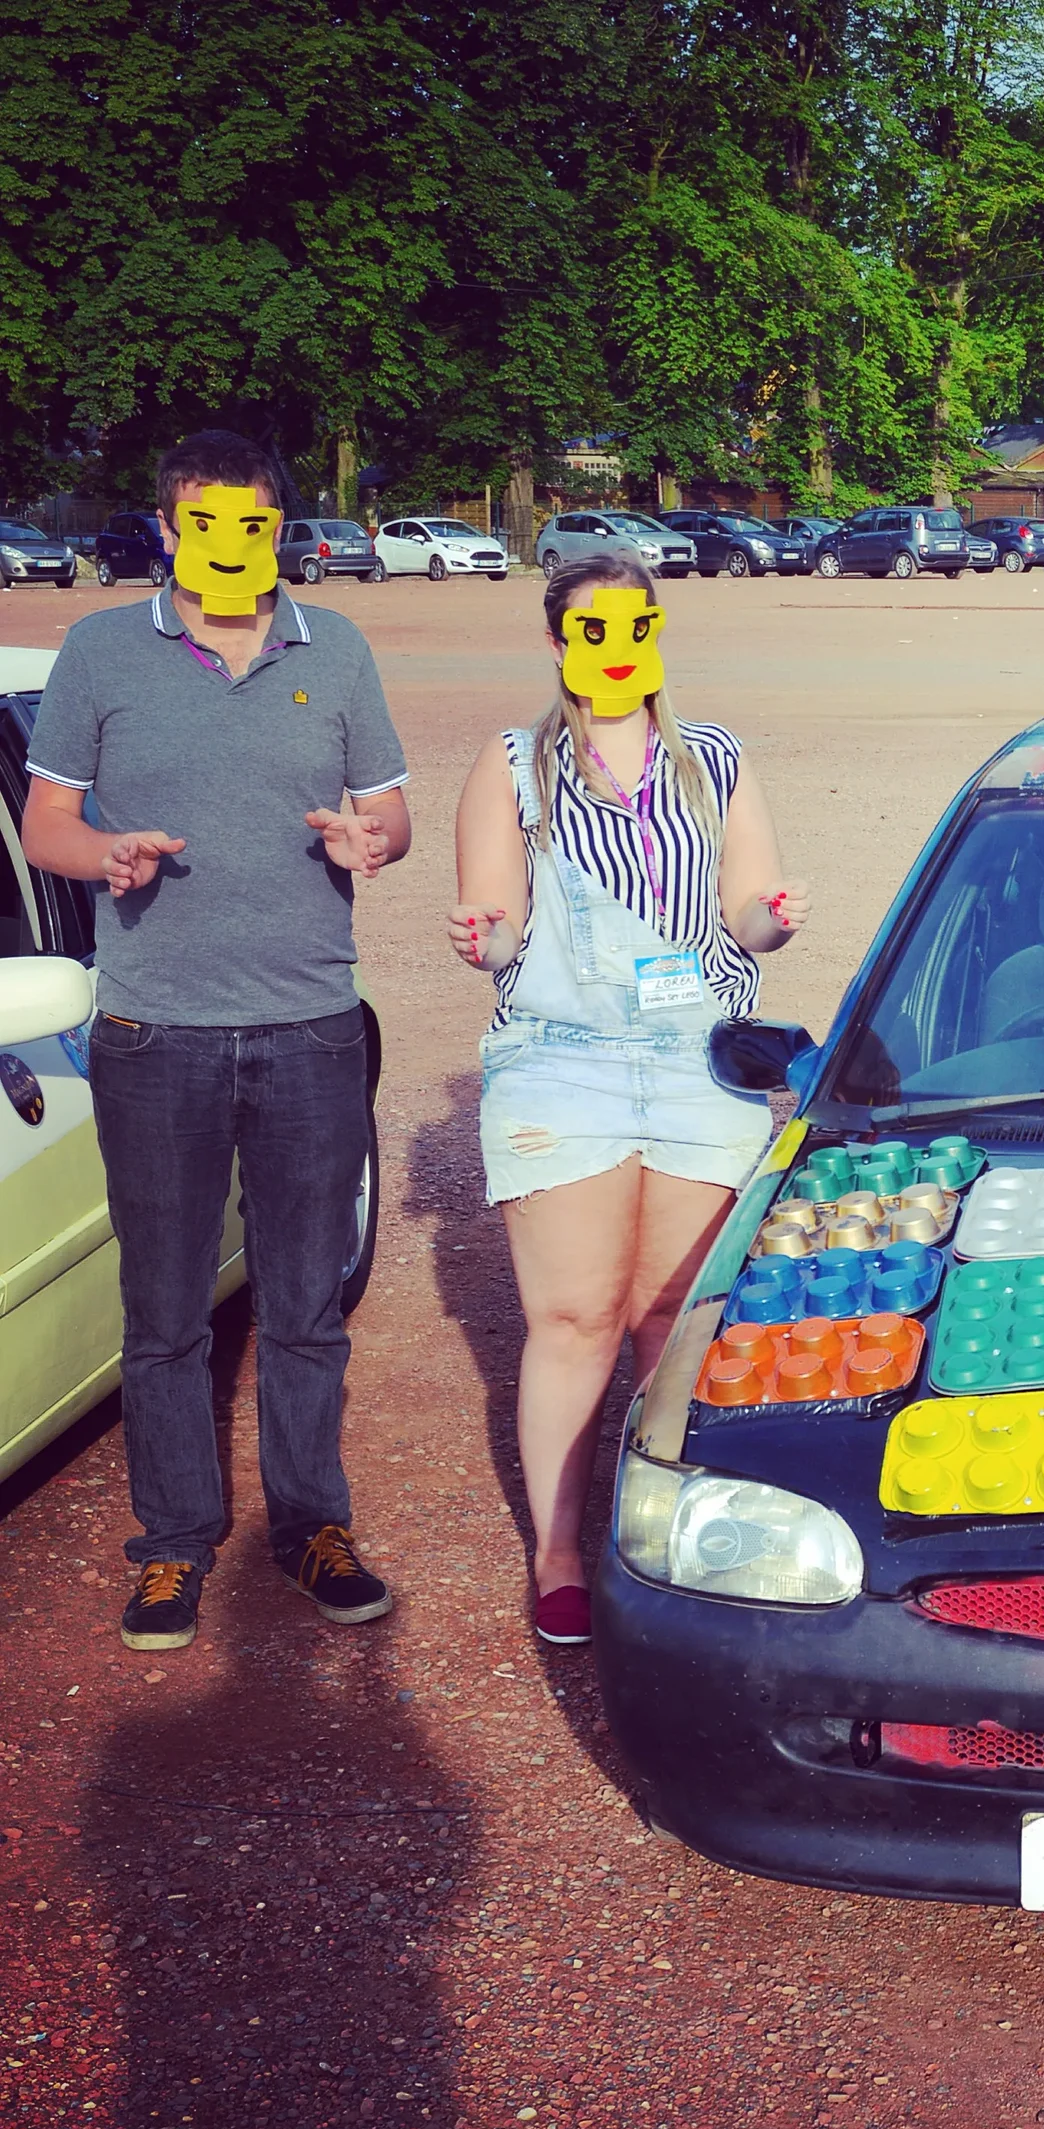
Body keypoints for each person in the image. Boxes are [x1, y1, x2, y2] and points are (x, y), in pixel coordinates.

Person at [22, 429, 412, 1652]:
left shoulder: (335, 646)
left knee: (304, 1309)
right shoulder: (97, 651)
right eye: (205, 524)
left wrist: (374, 843)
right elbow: (45, 827)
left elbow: (389, 808)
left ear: (279, 531)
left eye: (252, 524)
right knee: (167, 1318)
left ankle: (311, 1527)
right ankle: (173, 1549)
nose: (229, 546)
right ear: (170, 529)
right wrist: (107, 857)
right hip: (154, 1034)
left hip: (308, 1029)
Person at [448, 554, 809, 1646]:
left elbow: (745, 910)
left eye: (636, 625)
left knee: (671, 1319)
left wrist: (770, 923)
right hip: (565, 1060)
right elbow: (499, 925)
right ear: (558, 643)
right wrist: (486, 939)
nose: (615, 647)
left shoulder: (714, 759)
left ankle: (652, 1532)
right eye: (591, 629)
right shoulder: (512, 765)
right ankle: (558, 1551)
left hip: (701, 1057)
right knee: (572, 1318)